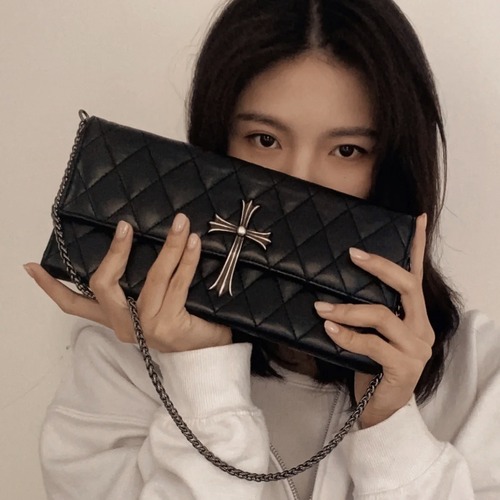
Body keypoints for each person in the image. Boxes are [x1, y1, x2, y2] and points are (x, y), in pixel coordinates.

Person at [24, 0, 500, 498]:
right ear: (215, 143)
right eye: (264, 139)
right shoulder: (120, 357)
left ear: (394, 167)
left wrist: (391, 429)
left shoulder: (476, 371)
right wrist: (201, 373)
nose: (298, 182)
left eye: (347, 150)